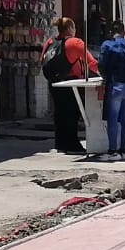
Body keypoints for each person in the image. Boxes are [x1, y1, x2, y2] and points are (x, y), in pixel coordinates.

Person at [42, 16, 92, 153]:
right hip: (71, 82)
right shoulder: (74, 42)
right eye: (74, 27)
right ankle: (72, 144)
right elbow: (91, 62)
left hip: (53, 82)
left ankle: (60, 143)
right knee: (72, 113)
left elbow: (42, 59)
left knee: (59, 113)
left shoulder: (50, 41)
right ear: (70, 28)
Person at [97, 22, 125, 160]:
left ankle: (112, 151)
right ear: (123, 32)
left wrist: (105, 75)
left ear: (111, 32)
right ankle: (124, 151)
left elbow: (102, 65)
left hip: (115, 86)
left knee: (113, 119)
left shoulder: (107, 45)